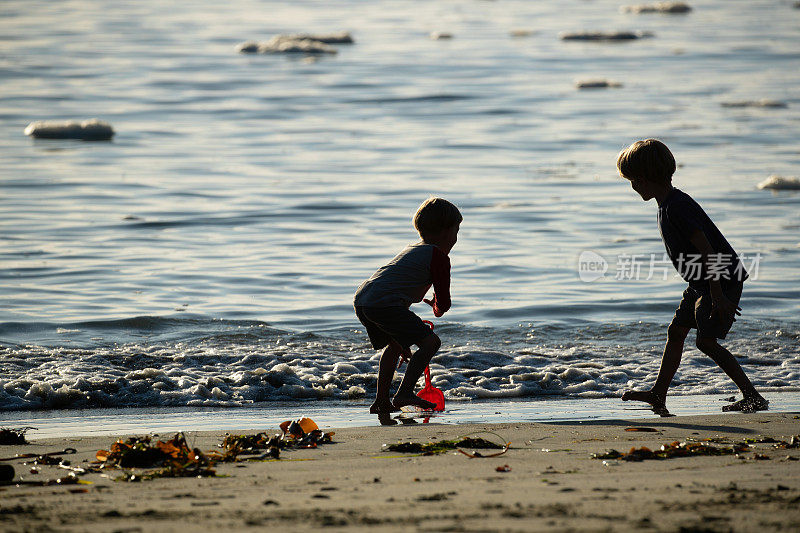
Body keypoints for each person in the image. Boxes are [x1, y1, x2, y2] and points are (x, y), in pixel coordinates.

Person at [616, 139, 768, 413]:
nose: (632, 186)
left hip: (720, 279)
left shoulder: (677, 207)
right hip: (700, 282)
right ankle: (658, 394)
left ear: (646, 179)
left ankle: (753, 395)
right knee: (676, 332)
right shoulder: (667, 205)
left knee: (705, 342)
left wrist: (718, 295)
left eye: (633, 180)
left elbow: (708, 251)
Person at [354, 197, 461, 414]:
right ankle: (404, 393)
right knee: (431, 343)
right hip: (385, 304)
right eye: (456, 231)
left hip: (364, 298)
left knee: (394, 346)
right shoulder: (438, 257)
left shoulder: (412, 248)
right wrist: (436, 308)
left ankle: (381, 401)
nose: (456, 239)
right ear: (446, 232)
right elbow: (444, 304)